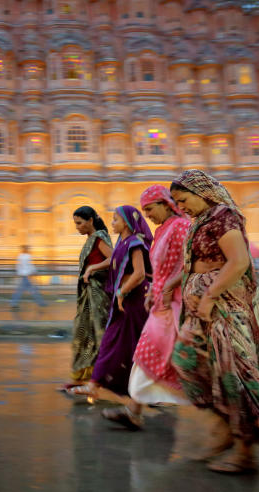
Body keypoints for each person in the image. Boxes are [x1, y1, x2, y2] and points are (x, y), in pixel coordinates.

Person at [170, 169, 259, 474]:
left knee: (231, 377)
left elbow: (239, 261)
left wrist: (211, 295)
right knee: (185, 363)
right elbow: (196, 263)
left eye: (183, 199)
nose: (181, 206)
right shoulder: (200, 222)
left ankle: (244, 450)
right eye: (176, 202)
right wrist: (172, 284)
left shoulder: (224, 216)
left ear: (201, 191)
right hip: (202, 310)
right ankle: (228, 428)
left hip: (224, 309)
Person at [69, 206, 152, 431]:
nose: (111, 222)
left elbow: (140, 273)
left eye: (116, 219)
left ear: (126, 221)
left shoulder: (134, 242)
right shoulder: (123, 242)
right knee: (111, 341)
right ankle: (97, 384)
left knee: (130, 344)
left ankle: (140, 391)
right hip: (121, 298)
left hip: (132, 299)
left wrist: (122, 292)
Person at [122, 184, 192, 420]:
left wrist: (170, 285)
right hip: (161, 305)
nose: (147, 215)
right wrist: (153, 290)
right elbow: (160, 269)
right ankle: (134, 410)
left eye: (150, 209)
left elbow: (194, 264)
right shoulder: (163, 230)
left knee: (162, 356)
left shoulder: (182, 227)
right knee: (147, 354)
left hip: (178, 305)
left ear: (165, 204)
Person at [63, 206, 113, 390]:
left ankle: (101, 378)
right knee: (84, 333)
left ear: (90, 220)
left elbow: (113, 259)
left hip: (98, 295)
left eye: (79, 223)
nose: (77, 227)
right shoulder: (91, 239)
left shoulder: (99, 237)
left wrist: (92, 268)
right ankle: (83, 376)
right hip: (89, 294)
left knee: (97, 335)